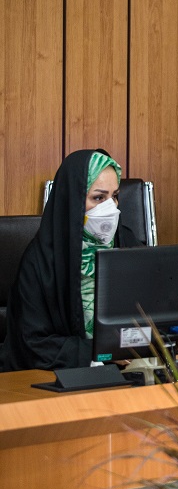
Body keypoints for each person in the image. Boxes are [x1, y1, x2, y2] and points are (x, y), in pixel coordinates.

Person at [1, 149, 142, 372]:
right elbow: (32, 344)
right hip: (63, 378)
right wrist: (99, 352)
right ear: (72, 201)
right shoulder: (40, 260)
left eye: (114, 196)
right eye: (98, 198)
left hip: (131, 372)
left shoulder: (127, 243)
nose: (111, 207)